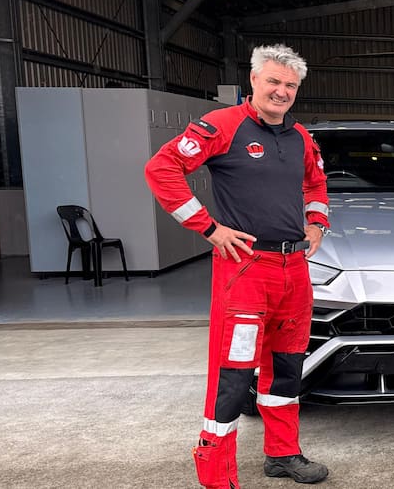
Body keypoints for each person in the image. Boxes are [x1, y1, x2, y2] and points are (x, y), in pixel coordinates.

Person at [145, 44, 331, 487]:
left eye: (289, 85)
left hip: (294, 271)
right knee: (233, 375)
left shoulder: (300, 136)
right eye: (273, 81)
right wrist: (209, 228)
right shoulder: (222, 126)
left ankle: (282, 455)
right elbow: (161, 168)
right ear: (253, 80)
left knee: (286, 368)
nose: (281, 91)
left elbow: (316, 182)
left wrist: (317, 223)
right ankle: (216, 474)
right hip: (245, 270)